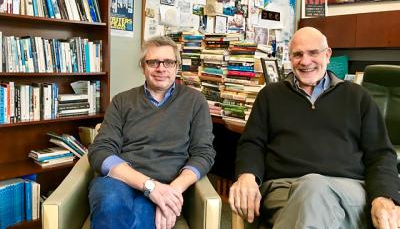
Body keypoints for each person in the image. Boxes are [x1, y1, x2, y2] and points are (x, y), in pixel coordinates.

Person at [229, 27, 400, 228]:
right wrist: (247, 175)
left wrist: (384, 196)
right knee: (312, 190)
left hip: (347, 190)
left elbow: (381, 153)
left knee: (314, 189)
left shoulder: (357, 96)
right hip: (284, 188)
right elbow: (251, 143)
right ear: (290, 58)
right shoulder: (270, 96)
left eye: (313, 53)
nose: (305, 61)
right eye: (298, 54)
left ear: (327, 55)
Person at [88, 36, 215, 229]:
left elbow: (203, 153)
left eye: (169, 62)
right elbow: (100, 151)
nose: (161, 68)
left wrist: (173, 190)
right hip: (120, 180)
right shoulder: (122, 101)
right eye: (153, 62)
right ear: (143, 66)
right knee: (110, 206)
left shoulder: (195, 102)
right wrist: (149, 186)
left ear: (176, 66)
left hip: (166, 184)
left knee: (138, 221)